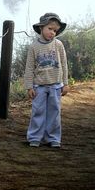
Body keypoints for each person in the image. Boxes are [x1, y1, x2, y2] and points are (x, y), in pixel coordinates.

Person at [24, 12, 69, 148]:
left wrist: (65, 84)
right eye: (50, 29)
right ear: (41, 28)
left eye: (55, 30)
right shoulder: (34, 47)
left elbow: (64, 64)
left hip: (55, 85)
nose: (52, 33)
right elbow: (29, 68)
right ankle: (35, 137)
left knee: (54, 113)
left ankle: (53, 138)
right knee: (38, 112)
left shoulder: (59, 45)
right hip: (39, 86)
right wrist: (29, 87)